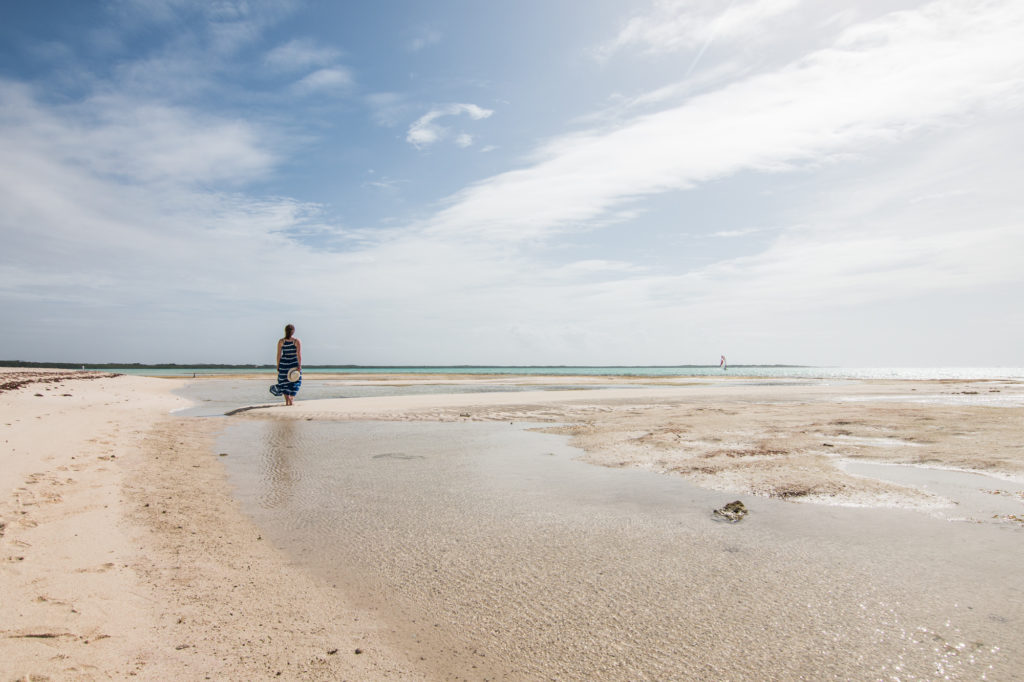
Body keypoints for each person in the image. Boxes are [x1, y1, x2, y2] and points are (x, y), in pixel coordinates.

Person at [276, 324, 302, 405]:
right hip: (293, 363)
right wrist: (299, 365)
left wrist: (278, 365)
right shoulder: (296, 341)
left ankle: (287, 400)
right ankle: (291, 398)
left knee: (283, 381)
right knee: (296, 380)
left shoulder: (281, 341)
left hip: (284, 363)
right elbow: (299, 354)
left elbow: (278, 354)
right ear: (293, 331)